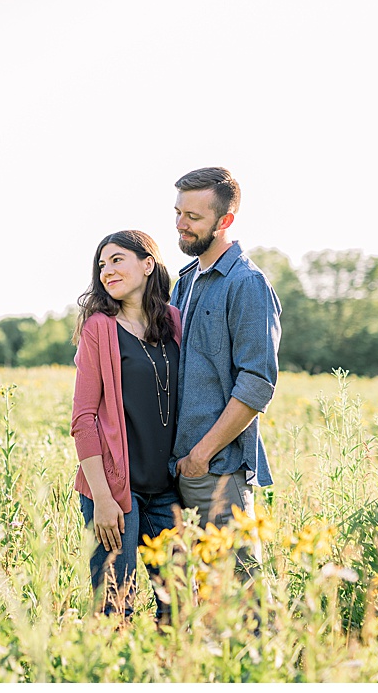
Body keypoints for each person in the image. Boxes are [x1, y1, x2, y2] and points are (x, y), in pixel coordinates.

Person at [169, 167, 281, 593]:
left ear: (225, 221)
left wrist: (201, 454)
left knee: (242, 602)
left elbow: (257, 384)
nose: (181, 224)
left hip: (217, 470)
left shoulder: (247, 284)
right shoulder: (184, 282)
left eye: (193, 217)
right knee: (186, 599)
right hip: (174, 470)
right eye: (178, 212)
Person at [70, 230, 183, 621]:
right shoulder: (98, 328)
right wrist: (102, 498)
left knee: (180, 604)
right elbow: (83, 420)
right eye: (102, 264)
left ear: (147, 263)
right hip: (115, 491)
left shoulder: (174, 322)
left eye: (117, 259)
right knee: (116, 608)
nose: (107, 271)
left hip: (167, 489)